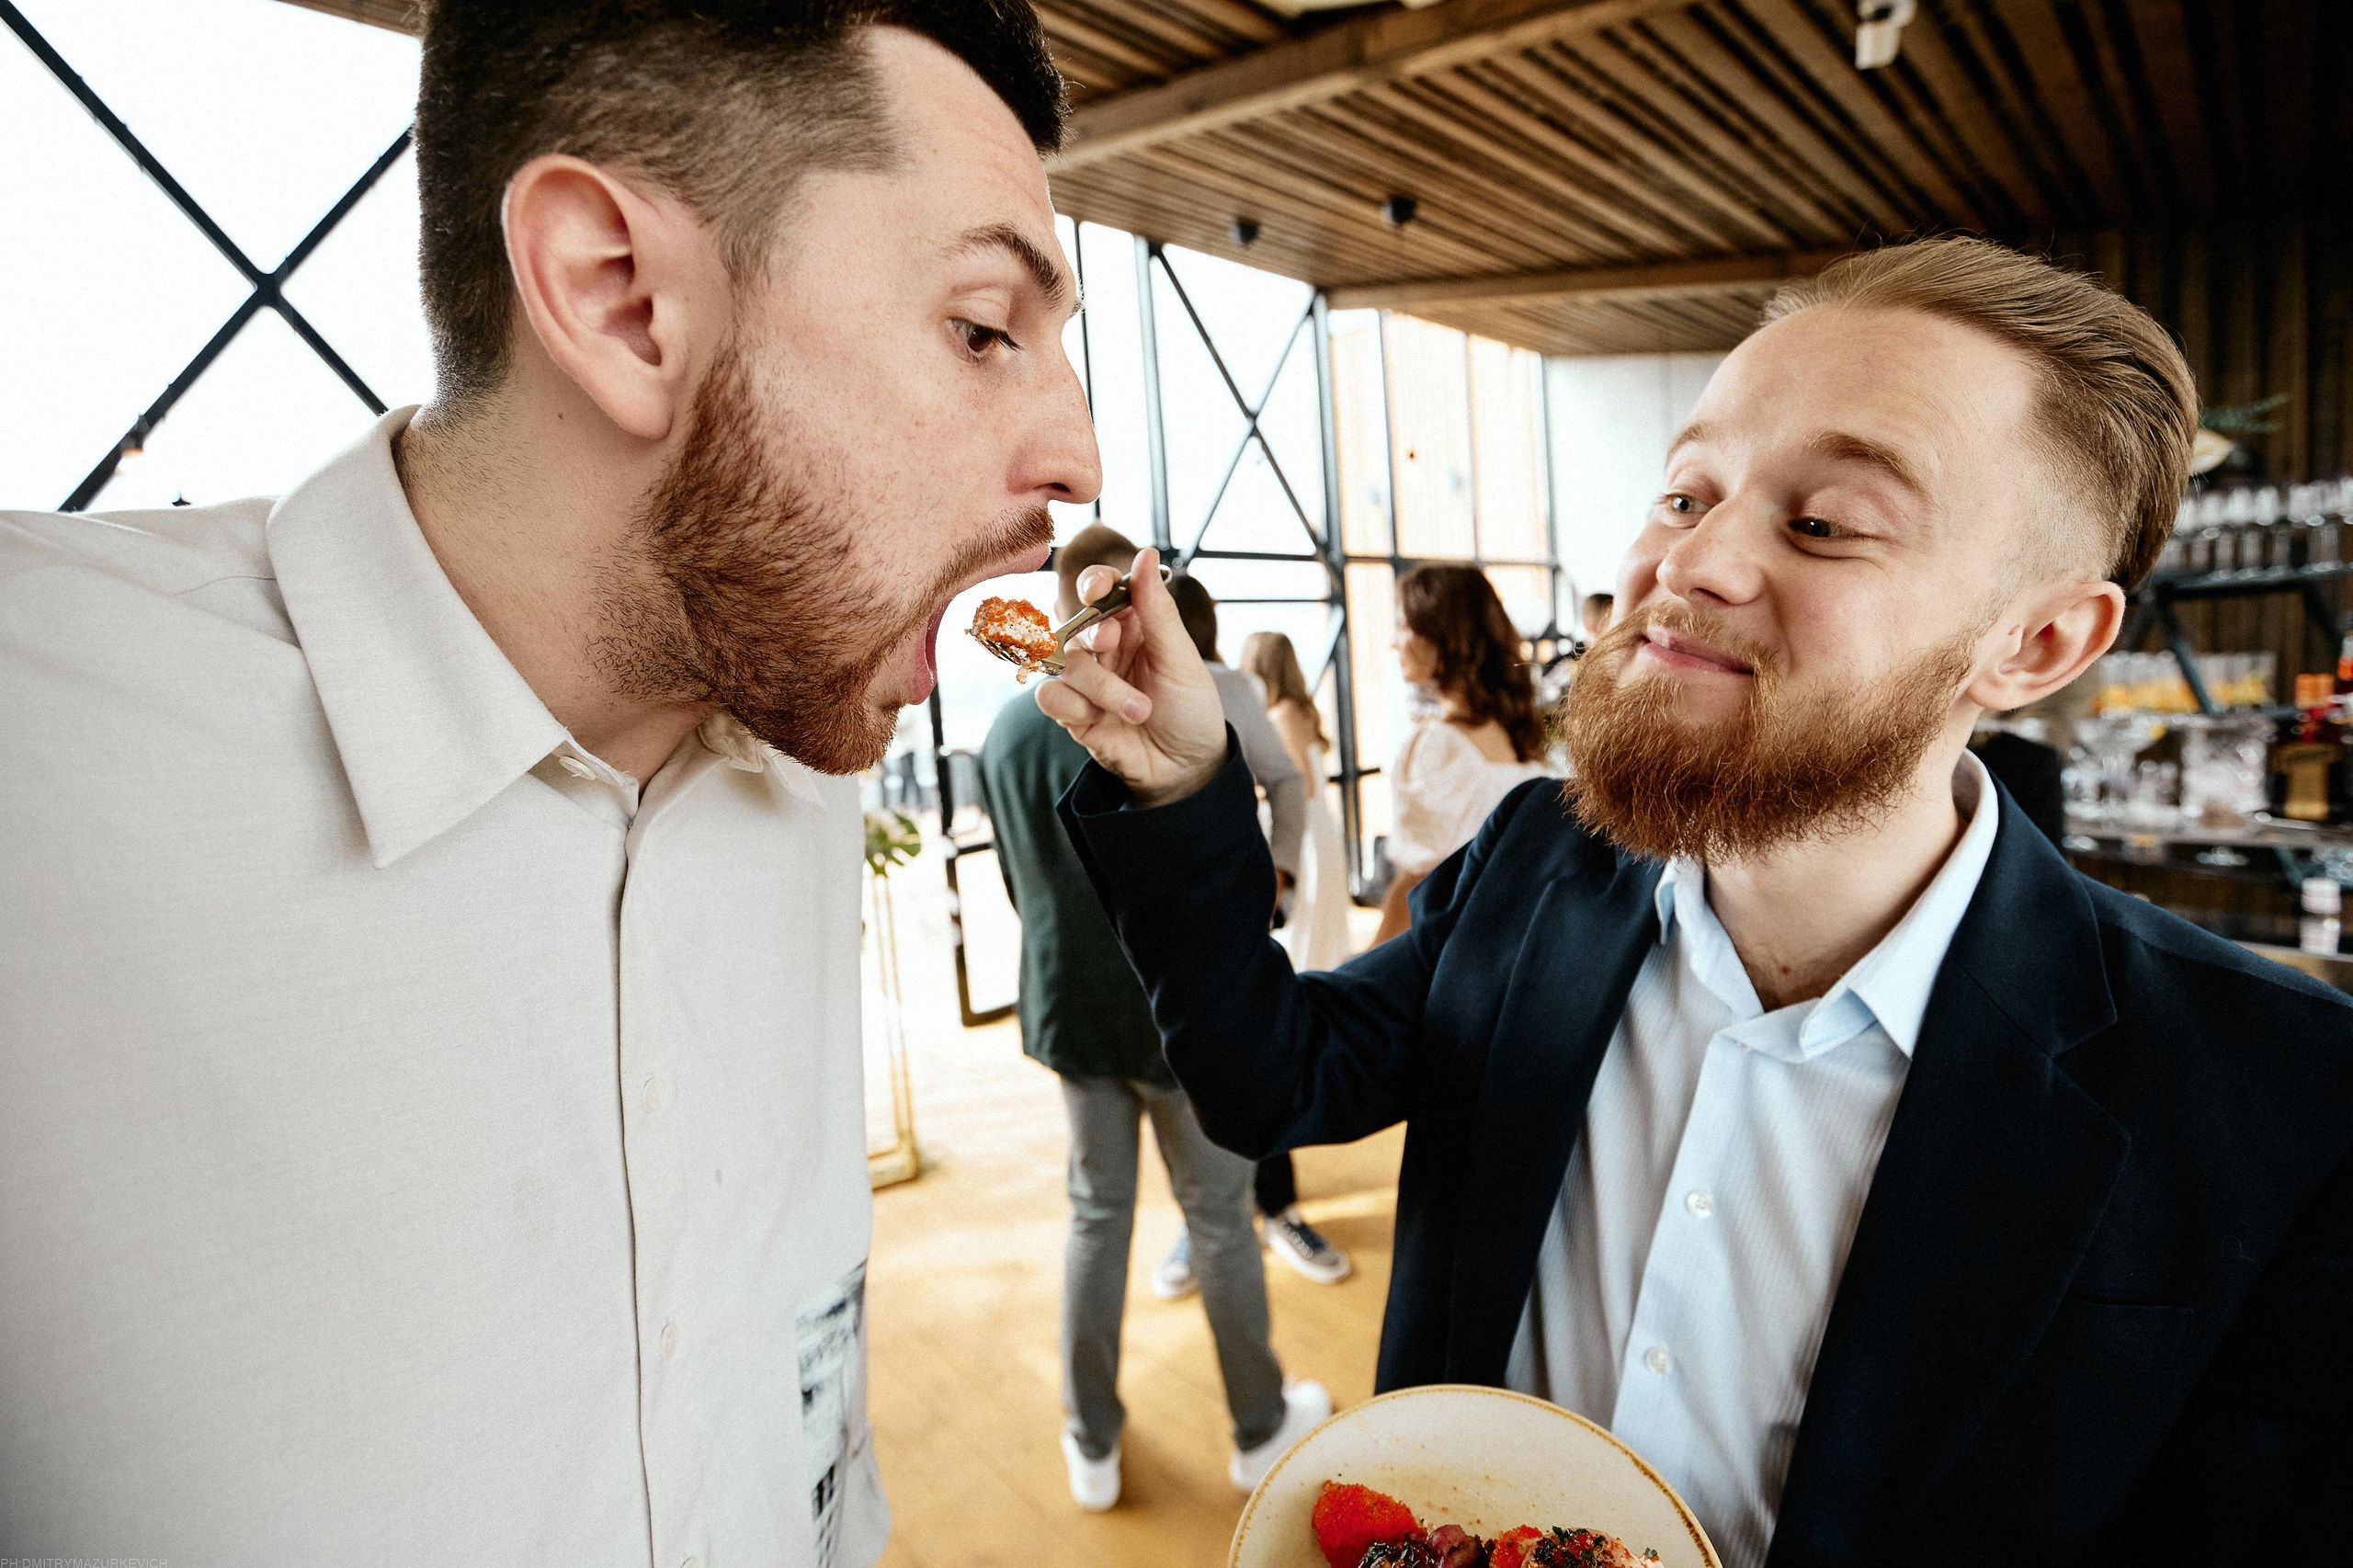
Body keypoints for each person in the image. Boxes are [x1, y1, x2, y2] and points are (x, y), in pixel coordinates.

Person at [1033, 236, 2353, 1563]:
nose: (1693, 561)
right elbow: (1275, 1077)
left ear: (2035, 643)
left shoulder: (2276, 1102)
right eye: (1684, 494)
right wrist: (1185, 780)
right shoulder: (1538, 862)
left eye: (1823, 521)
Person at [1, 5, 1096, 1564]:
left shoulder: (791, 745)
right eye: (984, 328)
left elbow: (799, 1407)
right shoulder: (40, 746)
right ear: (618, 298)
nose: (1078, 455)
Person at [972, 526, 1328, 1514]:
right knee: (1219, 1218)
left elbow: (1016, 881)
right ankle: (1258, 1426)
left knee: (1095, 1215)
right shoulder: (1168, 704)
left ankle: (1089, 1435)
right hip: (1179, 1013)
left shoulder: (1005, 730)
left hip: (1069, 1007)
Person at [1162, 580, 1351, 1288]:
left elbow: (1288, 782)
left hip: (1230, 907)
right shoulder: (1121, 691)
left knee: (1252, 1051)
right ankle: (1204, 1220)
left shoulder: (1230, 688)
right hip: (1158, 920)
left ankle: (1278, 1208)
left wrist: (1282, 870)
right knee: (1182, 1075)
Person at [1375, 563, 1552, 945]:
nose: (1394, 643)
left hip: (1449, 944)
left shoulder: (1437, 745)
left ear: (1442, 637)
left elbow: (1418, 880)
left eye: (1404, 626)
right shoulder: (1517, 735)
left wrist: (1365, 961)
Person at [1239, 630, 1352, 975]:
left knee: (1303, 926)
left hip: (1303, 833)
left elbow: (1302, 783)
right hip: (1318, 826)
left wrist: (1259, 790)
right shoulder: (1299, 710)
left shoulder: (1282, 714)